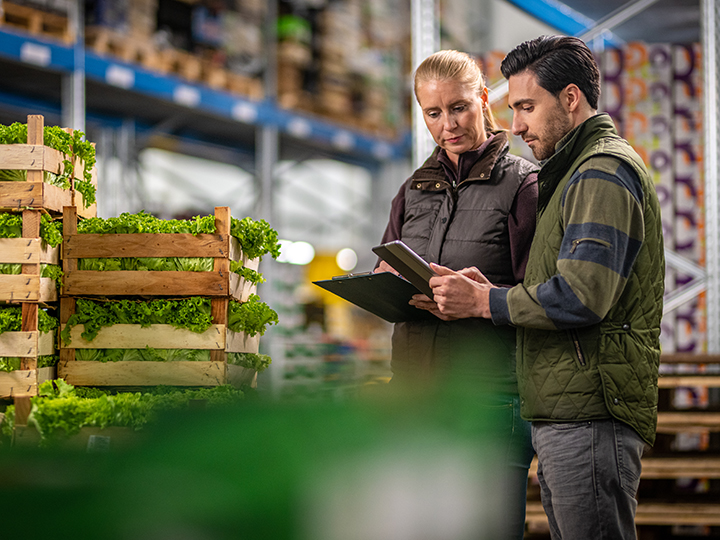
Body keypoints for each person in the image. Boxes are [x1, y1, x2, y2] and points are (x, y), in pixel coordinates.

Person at [412, 36, 665, 540]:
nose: (519, 124)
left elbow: (581, 295)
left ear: (570, 99)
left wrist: (487, 301)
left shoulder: (601, 172)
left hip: (590, 408)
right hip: (566, 407)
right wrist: (494, 288)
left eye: (527, 106)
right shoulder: (571, 173)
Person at [375, 49, 538, 540]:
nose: (448, 124)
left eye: (460, 107)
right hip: (415, 391)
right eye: (433, 112)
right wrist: (385, 281)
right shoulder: (412, 190)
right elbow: (387, 261)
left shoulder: (524, 183)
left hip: (488, 394)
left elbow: (541, 295)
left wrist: (481, 300)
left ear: (484, 100)